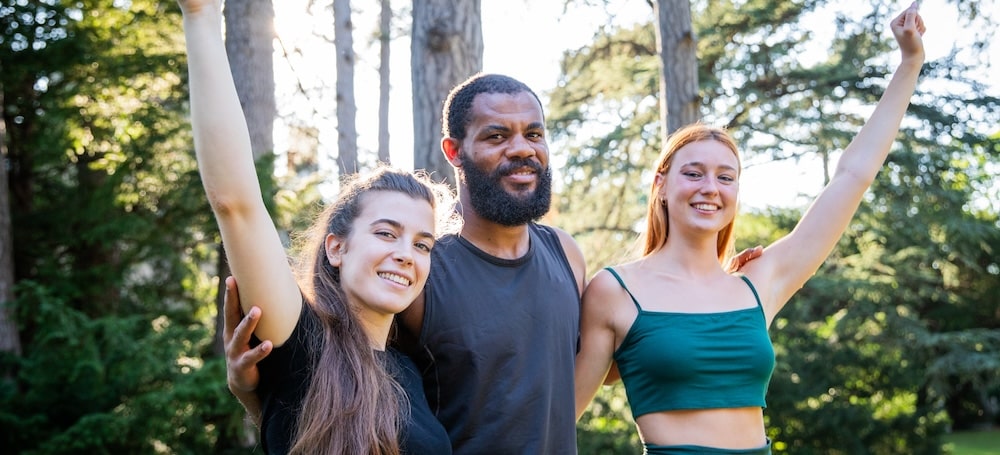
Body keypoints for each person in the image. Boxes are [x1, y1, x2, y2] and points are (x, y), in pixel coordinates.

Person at [222, 73, 761, 453]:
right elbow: (348, 369)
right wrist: (262, 390)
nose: (522, 149)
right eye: (497, 136)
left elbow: (617, 356)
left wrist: (706, 283)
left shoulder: (566, 255)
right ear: (454, 152)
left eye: (534, 133)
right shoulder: (423, 273)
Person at [573, 4, 926, 454]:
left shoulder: (759, 283)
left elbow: (852, 177)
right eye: (694, 173)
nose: (710, 188)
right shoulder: (614, 291)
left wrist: (909, 63)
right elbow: (561, 416)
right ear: (660, 185)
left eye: (726, 177)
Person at [178, 0, 458, 453]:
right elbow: (237, 204)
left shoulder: (412, 368)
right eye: (386, 233)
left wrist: (254, 399)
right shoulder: (301, 341)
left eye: (423, 244)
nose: (406, 253)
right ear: (336, 248)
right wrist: (201, 17)